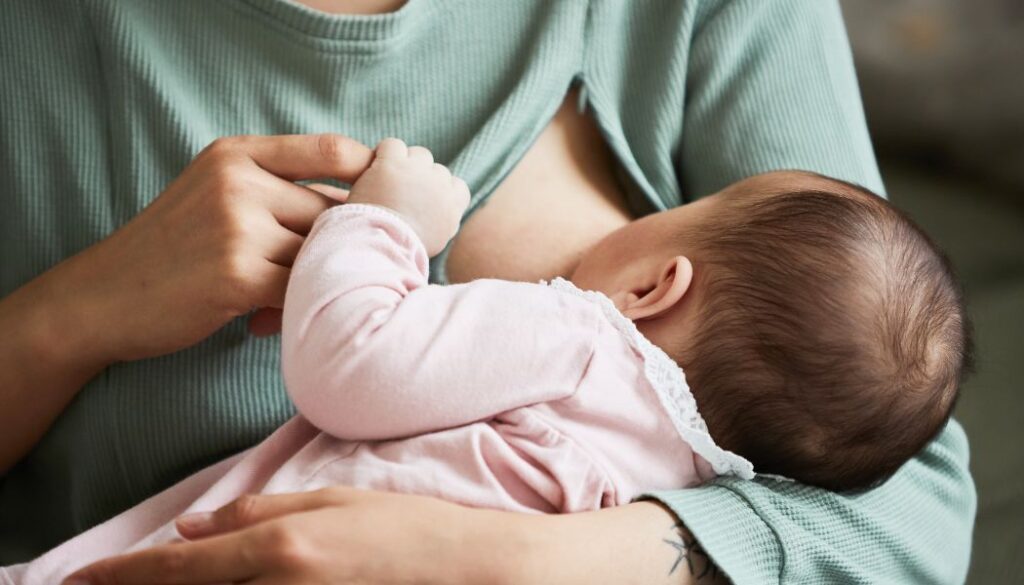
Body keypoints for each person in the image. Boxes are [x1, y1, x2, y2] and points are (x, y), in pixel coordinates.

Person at [0, 1, 975, 583]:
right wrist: (70, 316)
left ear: (654, 282)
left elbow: (906, 509)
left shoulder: (581, 330)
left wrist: (520, 564)